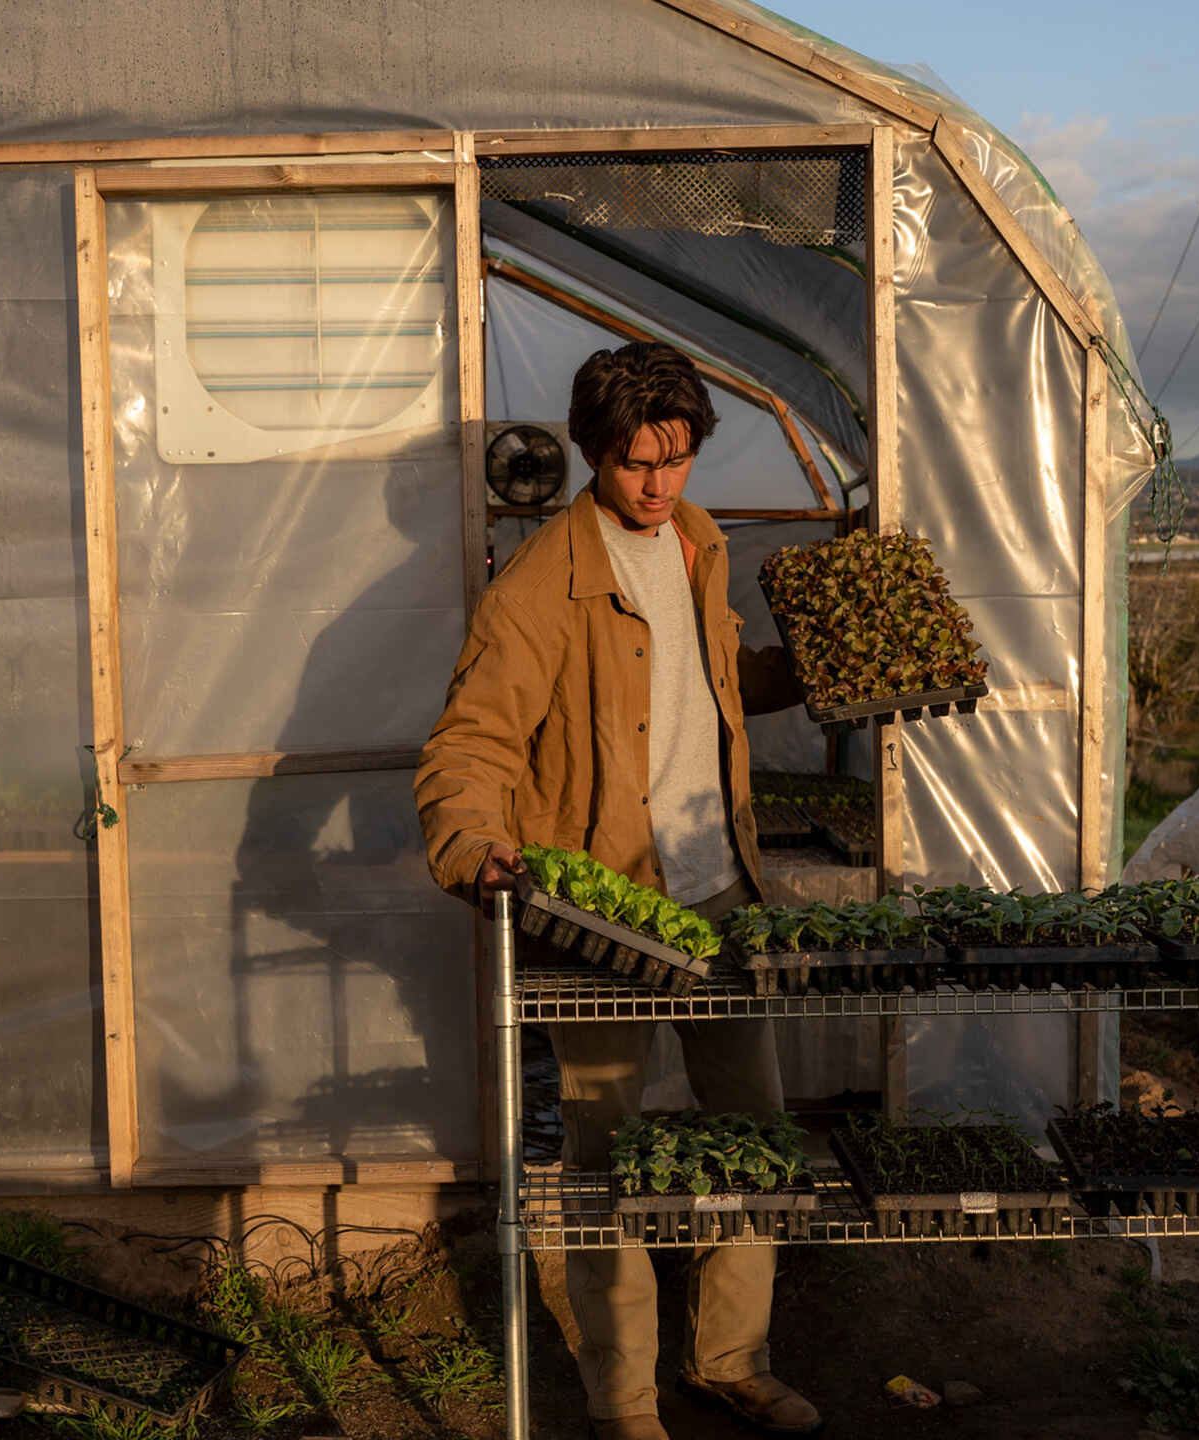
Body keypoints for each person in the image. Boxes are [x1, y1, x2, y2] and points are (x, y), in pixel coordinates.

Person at [415, 341, 820, 1439]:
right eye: (636, 463)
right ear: (595, 454)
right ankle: (627, 1405)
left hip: (720, 889)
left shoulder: (695, 542)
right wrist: (472, 846)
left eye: (676, 459)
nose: (658, 483)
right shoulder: (540, 584)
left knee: (755, 1136)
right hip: (606, 916)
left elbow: (708, 680)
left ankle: (729, 1360)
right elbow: (469, 744)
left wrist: (823, 674)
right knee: (610, 1166)